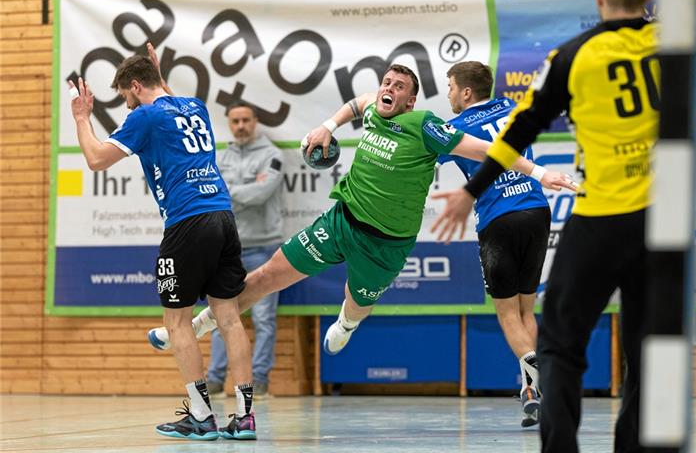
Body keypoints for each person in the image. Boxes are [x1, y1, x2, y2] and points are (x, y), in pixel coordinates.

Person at [430, 0, 696, 453]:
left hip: (599, 220)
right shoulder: (674, 34)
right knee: (648, 351)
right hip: (660, 226)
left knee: (559, 345)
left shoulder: (572, 56)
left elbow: (517, 133)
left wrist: (470, 190)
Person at [147, 64, 574, 358]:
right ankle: (196, 326)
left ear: (410, 101)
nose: (389, 88)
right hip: (342, 220)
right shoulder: (375, 105)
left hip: (385, 245)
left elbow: (486, 150)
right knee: (265, 277)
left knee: (356, 303)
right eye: (387, 81)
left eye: (400, 87)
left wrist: (537, 171)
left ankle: (347, 326)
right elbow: (356, 103)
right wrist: (327, 127)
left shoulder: (424, 125)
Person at [69, 46, 257, 441]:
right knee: (229, 318)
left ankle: (202, 417)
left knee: (176, 321)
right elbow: (167, 97)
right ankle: (243, 418)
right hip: (223, 217)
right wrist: (157, 71)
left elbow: (96, 159)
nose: (126, 105)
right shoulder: (195, 106)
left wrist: (83, 119)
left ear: (136, 87)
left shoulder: (144, 116)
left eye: (125, 96)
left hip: (187, 221)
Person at [438, 61, 571, 428]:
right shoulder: (512, 109)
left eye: (450, 86)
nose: (448, 93)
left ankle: (538, 365)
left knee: (507, 313)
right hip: (536, 210)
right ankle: (533, 390)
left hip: (498, 218)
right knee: (527, 310)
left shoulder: (456, 128)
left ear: (466, 92)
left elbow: (420, 157)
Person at [206, 101, 284, 401]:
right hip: (227, 248)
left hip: (264, 247)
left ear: (255, 121)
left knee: (264, 318)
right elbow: (212, 191)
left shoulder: (272, 155)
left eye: (246, 120)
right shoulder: (219, 156)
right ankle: (214, 380)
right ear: (229, 123)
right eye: (235, 120)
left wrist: (229, 192)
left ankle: (260, 380)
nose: (240, 125)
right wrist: (242, 191)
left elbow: (261, 194)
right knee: (219, 317)